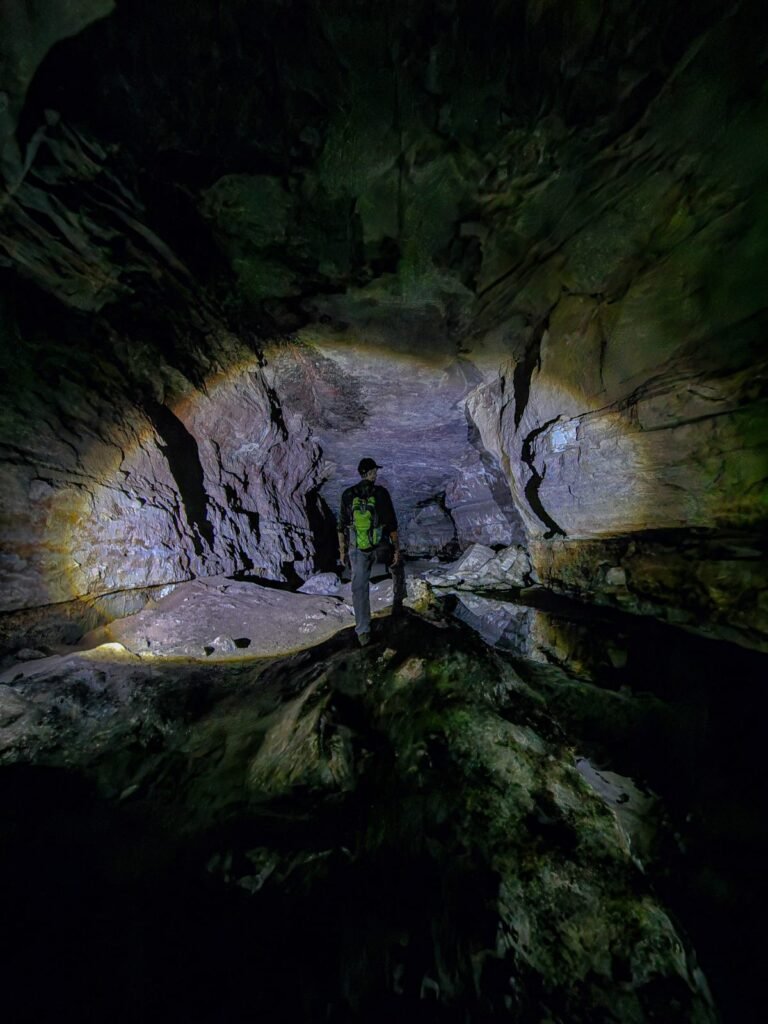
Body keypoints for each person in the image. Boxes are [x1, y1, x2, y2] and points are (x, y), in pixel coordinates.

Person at [338, 457, 405, 646]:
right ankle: (398, 606)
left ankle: (363, 632)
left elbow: (341, 526)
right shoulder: (381, 493)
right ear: (372, 473)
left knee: (359, 587)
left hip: (357, 548)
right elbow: (391, 524)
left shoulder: (348, 494)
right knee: (398, 568)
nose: (376, 474)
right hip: (379, 545)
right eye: (375, 471)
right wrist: (396, 550)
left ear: (360, 473)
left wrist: (342, 551)